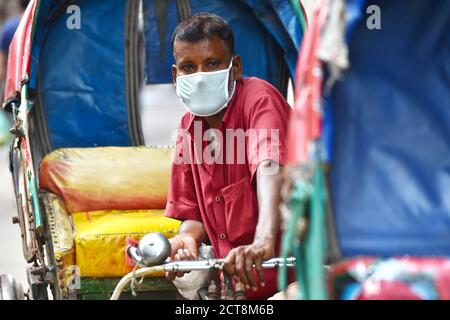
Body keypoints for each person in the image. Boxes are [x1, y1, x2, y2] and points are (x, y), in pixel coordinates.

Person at [164, 13, 292, 299]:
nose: (199, 77)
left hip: (292, 280)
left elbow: (269, 164)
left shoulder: (259, 99)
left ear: (234, 67)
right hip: (233, 289)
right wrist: (186, 239)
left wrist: (264, 240)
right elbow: (193, 214)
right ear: (176, 76)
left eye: (212, 64)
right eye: (188, 67)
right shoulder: (188, 127)